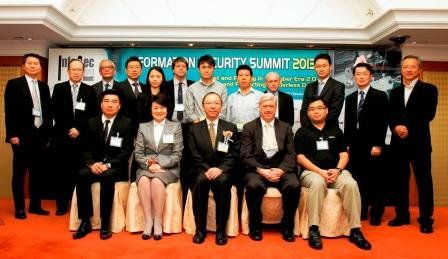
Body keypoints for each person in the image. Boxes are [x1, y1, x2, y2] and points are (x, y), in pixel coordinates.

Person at [295, 96, 371, 250]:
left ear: (326, 110)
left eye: (319, 108)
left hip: (336, 171)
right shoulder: (302, 132)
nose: (316, 112)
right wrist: (320, 172)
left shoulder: (336, 131)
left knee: (351, 184)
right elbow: (300, 157)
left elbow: (344, 154)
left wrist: (337, 170)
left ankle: (355, 230)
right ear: (307, 113)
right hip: (312, 172)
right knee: (317, 183)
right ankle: (314, 229)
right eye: (312, 109)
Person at [73, 89, 134, 240]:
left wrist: (108, 165)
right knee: (81, 175)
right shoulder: (90, 122)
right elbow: (84, 147)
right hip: (95, 165)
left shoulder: (127, 123)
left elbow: (126, 151)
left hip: (115, 168)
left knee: (107, 177)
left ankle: (105, 223)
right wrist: (91, 164)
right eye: (106, 101)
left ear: (119, 106)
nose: (110, 105)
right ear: (101, 104)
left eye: (114, 102)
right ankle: (85, 221)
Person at [388, 55, 438, 234]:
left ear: (419, 69)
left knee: (424, 181)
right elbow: (390, 116)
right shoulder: (393, 92)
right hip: (398, 144)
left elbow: (428, 114)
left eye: (412, 67)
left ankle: (426, 219)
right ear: (401, 69)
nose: (408, 70)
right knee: (400, 181)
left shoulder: (430, 90)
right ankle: (402, 215)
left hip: (420, 143)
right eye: (405, 67)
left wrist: (407, 128)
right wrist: (395, 127)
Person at [240, 93, 300, 242]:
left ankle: (287, 227)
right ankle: (255, 226)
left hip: (280, 167)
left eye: (271, 106)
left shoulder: (286, 127)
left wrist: (281, 170)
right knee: (253, 186)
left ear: (275, 108)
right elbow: (245, 155)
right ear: (259, 108)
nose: (268, 109)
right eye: (264, 106)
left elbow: (291, 153)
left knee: (293, 185)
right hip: (258, 169)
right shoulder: (249, 127)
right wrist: (261, 170)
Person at [4, 53, 53, 219]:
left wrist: (47, 135)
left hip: (40, 136)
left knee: (37, 173)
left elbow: (47, 113)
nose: (33, 66)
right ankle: (19, 208)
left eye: (36, 64)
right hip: (21, 137)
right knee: (19, 174)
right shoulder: (14, 84)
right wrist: (12, 134)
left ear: (40, 67)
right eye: (30, 63)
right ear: (24, 66)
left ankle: (35, 206)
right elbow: (9, 111)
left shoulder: (44, 87)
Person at [188, 92, 239, 245]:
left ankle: (221, 229)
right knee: (200, 182)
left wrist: (220, 168)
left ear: (221, 106)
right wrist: (207, 169)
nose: (212, 106)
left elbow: (234, 153)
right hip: (201, 170)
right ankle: (200, 229)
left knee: (223, 182)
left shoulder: (230, 127)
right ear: (203, 106)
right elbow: (193, 153)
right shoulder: (194, 128)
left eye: (216, 103)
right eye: (209, 103)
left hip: (222, 171)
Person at [52, 59, 99, 215]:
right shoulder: (59, 88)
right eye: (74, 69)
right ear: (68, 71)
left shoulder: (89, 90)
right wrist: (68, 129)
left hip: (82, 138)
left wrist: (78, 129)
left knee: (79, 172)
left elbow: (93, 115)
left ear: (83, 72)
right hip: (62, 138)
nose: (77, 72)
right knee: (62, 172)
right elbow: (55, 112)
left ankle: (77, 204)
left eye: (80, 70)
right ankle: (61, 205)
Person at [134, 94, 183, 241]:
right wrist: (150, 165)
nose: (159, 110)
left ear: (167, 110)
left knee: (156, 181)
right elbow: (138, 153)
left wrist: (159, 165)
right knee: (143, 181)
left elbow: (177, 154)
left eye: (162, 108)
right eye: (155, 107)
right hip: (146, 167)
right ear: (151, 109)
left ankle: (158, 222)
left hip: (169, 168)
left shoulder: (175, 126)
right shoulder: (143, 126)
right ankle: (149, 221)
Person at [344, 63, 388, 225]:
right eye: (358, 74)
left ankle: (376, 213)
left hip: (372, 146)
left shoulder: (380, 96)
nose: (361, 77)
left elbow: (383, 122)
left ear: (371, 76)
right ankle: (361, 211)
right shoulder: (349, 98)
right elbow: (348, 124)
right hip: (355, 146)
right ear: (354, 77)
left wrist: (378, 145)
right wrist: (347, 144)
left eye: (364, 74)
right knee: (358, 180)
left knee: (375, 180)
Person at [165, 57, 195, 207]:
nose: (181, 69)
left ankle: (187, 195)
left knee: (188, 160)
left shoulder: (194, 85)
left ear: (187, 69)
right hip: (171, 126)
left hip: (189, 126)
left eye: (184, 66)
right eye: (178, 66)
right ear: (173, 69)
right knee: (172, 156)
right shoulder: (166, 85)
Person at [300, 53, 345, 127]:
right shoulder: (309, 87)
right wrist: (309, 128)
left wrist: (319, 127)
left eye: (324, 66)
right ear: (315, 68)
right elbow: (304, 110)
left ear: (330, 67)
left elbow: (334, 112)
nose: (321, 69)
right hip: (309, 130)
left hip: (330, 130)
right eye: (318, 66)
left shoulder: (338, 86)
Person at [185, 54, 227, 123]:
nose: (206, 70)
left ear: (213, 69)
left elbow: (223, 110)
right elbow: (189, 112)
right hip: (197, 125)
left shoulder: (222, 87)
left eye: (209, 67)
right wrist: (200, 122)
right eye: (203, 67)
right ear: (199, 69)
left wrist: (212, 123)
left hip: (217, 126)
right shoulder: (192, 88)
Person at [116, 56, 151, 131]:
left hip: (144, 129)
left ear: (141, 70)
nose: (134, 70)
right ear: (126, 70)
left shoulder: (146, 88)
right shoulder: (118, 87)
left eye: (137, 67)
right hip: (125, 128)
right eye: (131, 67)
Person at [227, 64, 263, 133]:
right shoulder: (231, 97)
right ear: (236, 78)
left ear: (251, 78)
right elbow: (228, 119)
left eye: (246, 75)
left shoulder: (260, 96)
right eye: (240, 75)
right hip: (235, 134)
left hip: (254, 134)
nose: (243, 78)